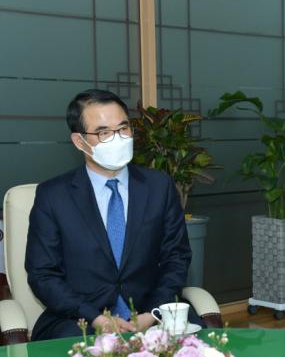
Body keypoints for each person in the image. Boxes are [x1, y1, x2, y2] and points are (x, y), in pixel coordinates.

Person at [26, 89, 202, 340]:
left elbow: (177, 257)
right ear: (79, 141)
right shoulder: (53, 196)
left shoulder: (159, 186)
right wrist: (96, 318)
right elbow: (43, 274)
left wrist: (153, 313)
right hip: (79, 318)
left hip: (152, 311)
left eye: (123, 128)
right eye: (104, 132)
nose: (117, 139)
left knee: (204, 354)